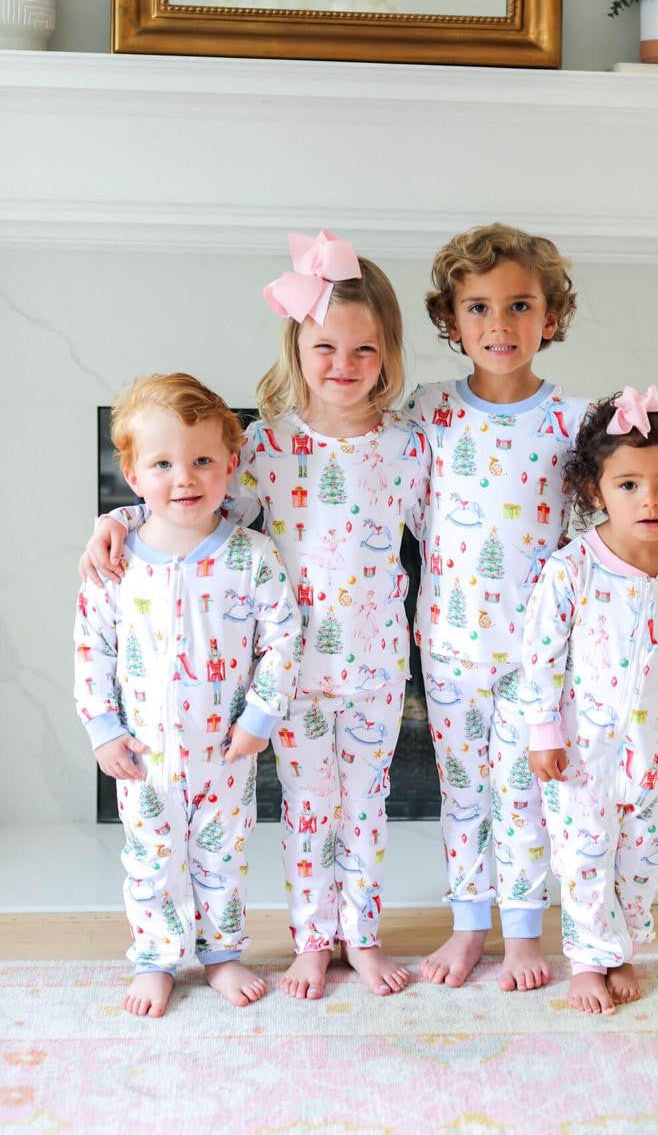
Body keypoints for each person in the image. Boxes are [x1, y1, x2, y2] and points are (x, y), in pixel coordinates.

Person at [79, 231, 429, 1001]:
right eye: (326, 346)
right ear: (297, 347)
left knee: (365, 812)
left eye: (364, 350)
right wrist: (115, 520)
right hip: (287, 681)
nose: (344, 364)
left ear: (388, 353)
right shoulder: (265, 446)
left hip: (375, 671)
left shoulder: (412, 448)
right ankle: (311, 940)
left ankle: (361, 938)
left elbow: (456, 535)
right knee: (307, 813)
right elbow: (194, 519)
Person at [407, 224, 658, 992]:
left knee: (525, 796)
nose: (499, 325)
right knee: (463, 793)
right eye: (478, 308)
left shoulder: (577, 419)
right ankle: (468, 925)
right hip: (451, 644)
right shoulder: (426, 411)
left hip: (552, 661)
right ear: (450, 322)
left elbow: (646, 499)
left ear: (549, 318)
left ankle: (525, 934)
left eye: (519, 305)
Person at [74, 373, 300, 1018]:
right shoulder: (115, 562)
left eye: (203, 460)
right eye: (164, 463)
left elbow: (283, 638)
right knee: (150, 858)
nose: (186, 477)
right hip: (145, 754)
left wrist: (260, 716)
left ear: (231, 465)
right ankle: (158, 957)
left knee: (221, 855)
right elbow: (92, 648)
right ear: (133, 472)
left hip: (225, 749)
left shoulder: (252, 556)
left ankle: (223, 953)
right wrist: (102, 727)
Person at [521, 386, 658, 1014]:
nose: (651, 499)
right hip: (584, 750)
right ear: (594, 491)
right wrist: (543, 730)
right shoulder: (574, 568)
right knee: (584, 853)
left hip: (654, 749)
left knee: (641, 852)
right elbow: (540, 656)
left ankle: (624, 945)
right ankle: (586, 957)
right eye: (629, 484)